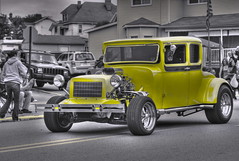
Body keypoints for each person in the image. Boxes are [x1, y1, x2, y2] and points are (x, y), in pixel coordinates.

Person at [0, 50, 28, 121]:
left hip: (7, 83)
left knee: (8, 99)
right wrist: (25, 76)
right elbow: (23, 72)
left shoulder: (6, 63)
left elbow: (2, 74)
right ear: (15, 55)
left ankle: (1, 113)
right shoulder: (18, 62)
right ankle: (15, 117)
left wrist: (4, 81)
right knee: (16, 101)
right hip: (15, 82)